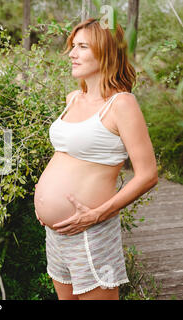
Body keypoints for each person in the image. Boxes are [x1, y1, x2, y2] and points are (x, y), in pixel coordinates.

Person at [33, 18, 158, 300]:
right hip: (55, 234)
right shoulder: (73, 98)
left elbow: (148, 174)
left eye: (82, 47)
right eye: (72, 46)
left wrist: (96, 215)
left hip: (91, 232)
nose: (72, 54)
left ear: (106, 52)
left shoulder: (121, 104)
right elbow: (67, 155)